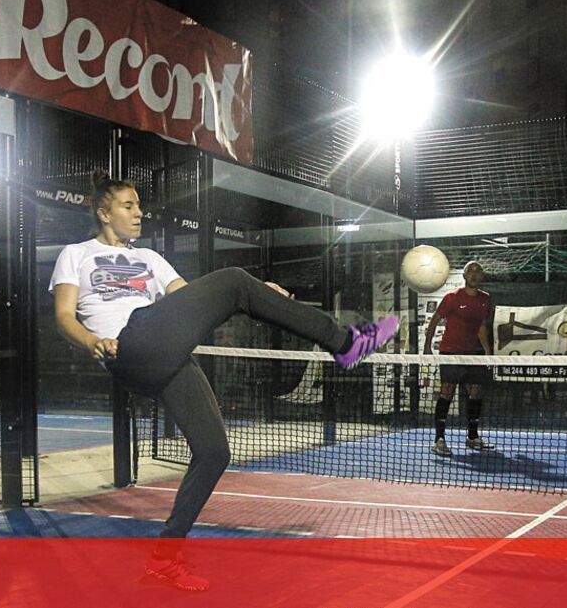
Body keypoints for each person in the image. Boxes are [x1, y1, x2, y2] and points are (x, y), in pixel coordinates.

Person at [51, 172, 398, 591]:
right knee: (233, 280)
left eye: (139, 205)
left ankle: (164, 559)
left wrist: (255, 293)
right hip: (128, 344)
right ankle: (344, 343)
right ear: (104, 213)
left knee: (214, 453)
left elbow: (192, 300)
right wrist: (91, 341)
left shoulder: (151, 259)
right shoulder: (77, 254)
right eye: (129, 205)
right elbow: (64, 315)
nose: (139, 213)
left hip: (165, 354)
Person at [424, 260, 494, 456]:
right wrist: (427, 347)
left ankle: (472, 437)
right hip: (450, 352)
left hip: (470, 355)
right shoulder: (452, 297)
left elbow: (481, 326)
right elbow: (435, 320)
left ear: (481, 276)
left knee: (476, 391)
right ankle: (439, 439)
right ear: (464, 276)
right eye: (470, 271)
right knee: (447, 391)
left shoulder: (485, 299)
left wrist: (488, 352)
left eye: (478, 271)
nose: (474, 274)